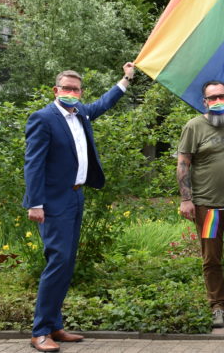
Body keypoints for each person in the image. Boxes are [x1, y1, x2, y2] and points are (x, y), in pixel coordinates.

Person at [23, 63, 135, 352]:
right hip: (52, 201)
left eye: (76, 89)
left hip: (76, 197)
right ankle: (40, 331)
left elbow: (103, 104)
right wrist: (34, 203)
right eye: (67, 88)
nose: (72, 93)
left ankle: (55, 325)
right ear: (56, 90)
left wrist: (125, 80)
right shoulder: (43, 118)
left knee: (67, 263)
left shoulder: (80, 113)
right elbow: (33, 164)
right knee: (57, 261)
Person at [177, 80, 224, 329]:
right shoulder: (194, 126)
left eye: (221, 96)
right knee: (212, 259)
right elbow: (183, 164)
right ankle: (217, 306)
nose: (217, 100)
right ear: (205, 102)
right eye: (212, 98)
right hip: (208, 208)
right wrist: (186, 199)